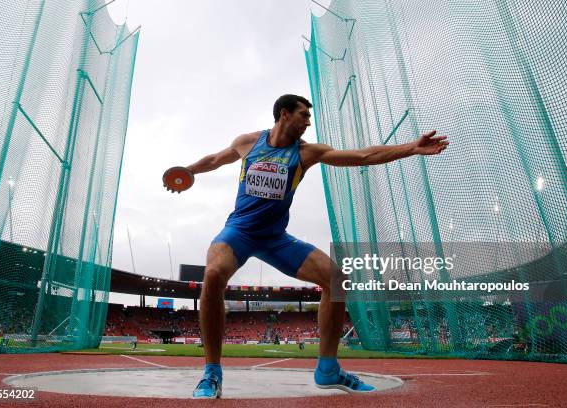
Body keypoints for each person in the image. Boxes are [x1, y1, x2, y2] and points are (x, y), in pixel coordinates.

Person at [183, 94, 449, 398]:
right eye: (303, 116)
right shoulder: (248, 142)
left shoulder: (307, 153)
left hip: (274, 238)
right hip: (239, 231)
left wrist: (411, 148)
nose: (309, 122)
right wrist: (189, 170)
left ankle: (328, 369)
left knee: (336, 279)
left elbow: (362, 156)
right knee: (214, 274)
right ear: (284, 114)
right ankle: (211, 373)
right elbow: (216, 160)